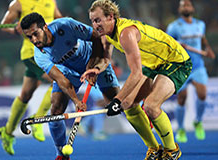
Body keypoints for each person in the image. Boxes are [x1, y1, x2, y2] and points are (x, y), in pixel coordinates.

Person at [82, 0, 193, 159]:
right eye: (92, 21)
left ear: (110, 17)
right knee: (128, 105)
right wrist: (96, 69)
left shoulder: (125, 33)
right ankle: (154, 149)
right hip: (151, 62)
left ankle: (172, 150)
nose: (95, 25)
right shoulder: (106, 35)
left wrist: (116, 100)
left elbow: (136, 74)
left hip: (175, 60)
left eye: (98, 20)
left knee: (150, 106)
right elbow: (106, 60)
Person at [20, 12, 120, 160]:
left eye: (35, 34)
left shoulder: (65, 25)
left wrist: (93, 66)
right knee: (56, 110)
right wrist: (76, 101)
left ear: (45, 27)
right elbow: (61, 79)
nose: (34, 40)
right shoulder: (39, 55)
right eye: (29, 37)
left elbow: (97, 38)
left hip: (91, 58)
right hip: (68, 72)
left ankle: (153, 139)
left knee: (119, 100)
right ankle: (61, 155)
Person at [0, 0, 62, 155]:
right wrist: (14, 29)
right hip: (31, 53)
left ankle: (8, 131)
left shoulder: (50, 1)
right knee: (58, 80)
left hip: (49, 52)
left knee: (26, 94)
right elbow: (5, 24)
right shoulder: (18, 3)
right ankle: (38, 119)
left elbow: (58, 18)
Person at [166, 0, 216, 143]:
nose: (186, 7)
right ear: (180, 9)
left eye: (188, 5)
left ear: (192, 8)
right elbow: (168, 44)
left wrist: (208, 49)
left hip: (198, 66)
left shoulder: (200, 24)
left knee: (202, 95)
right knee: (182, 98)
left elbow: (202, 38)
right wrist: (177, 45)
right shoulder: (174, 26)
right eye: (183, 5)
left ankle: (198, 122)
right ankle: (181, 129)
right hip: (182, 67)